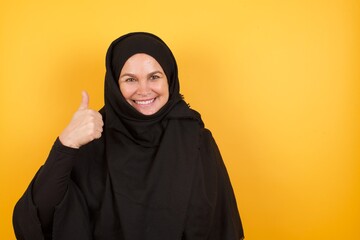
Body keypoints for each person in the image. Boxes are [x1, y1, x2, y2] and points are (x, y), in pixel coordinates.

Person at [13, 32, 244, 240]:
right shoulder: (93, 139)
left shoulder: (197, 140)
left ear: (169, 79)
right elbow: (38, 217)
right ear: (114, 84)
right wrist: (66, 144)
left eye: (154, 77)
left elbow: (223, 227)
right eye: (130, 79)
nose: (143, 89)